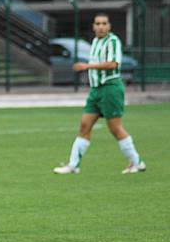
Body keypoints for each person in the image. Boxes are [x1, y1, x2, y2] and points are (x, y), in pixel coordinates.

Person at [53, 12, 146, 175]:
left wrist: (87, 67)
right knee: (84, 125)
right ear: (93, 26)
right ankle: (73, 165)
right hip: (96, 90)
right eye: (98, 23)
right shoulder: (96, 41)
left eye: (104, 23)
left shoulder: (113, 41)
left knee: (115, 129)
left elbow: (113, 64)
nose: (101, 26)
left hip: (110, 88)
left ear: (109, 26)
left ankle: (137, 162)